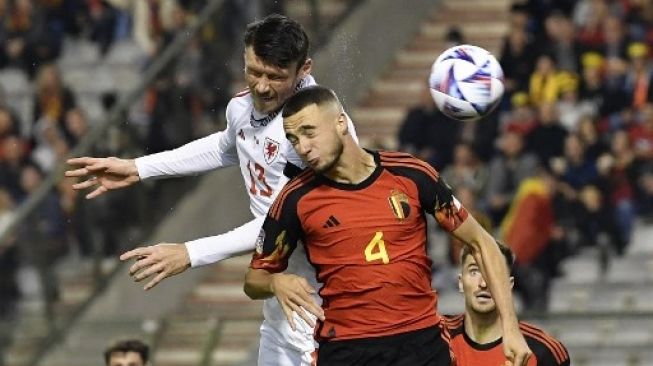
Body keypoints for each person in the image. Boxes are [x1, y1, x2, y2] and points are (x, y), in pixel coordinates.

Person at [65, 14, 356, 366]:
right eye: (254, 71)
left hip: (329, 303)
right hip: (282, 300)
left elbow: (284, 221)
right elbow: (226, 146)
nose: (262, 87)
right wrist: (138, 168)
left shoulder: (316, 130)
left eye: (276, 77)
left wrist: (192, 252)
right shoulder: (242, 106)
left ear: (303, 68)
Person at [244, 86, 531, 366]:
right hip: (346, 349)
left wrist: (511, 327)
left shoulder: (410, 174)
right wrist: (274, 281)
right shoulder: (295, 198)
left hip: (421, 345)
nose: (303, 147)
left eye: (309, 132)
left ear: (341, 123)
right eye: (293, 139)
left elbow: (482, 242)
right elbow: (253, 280)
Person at [443, 244, 570, 365]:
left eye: (495, 273)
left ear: (509, 285)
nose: (483, 283)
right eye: (474, 271)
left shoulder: (543, 350)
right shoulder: (437, 338)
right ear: (460, 283)